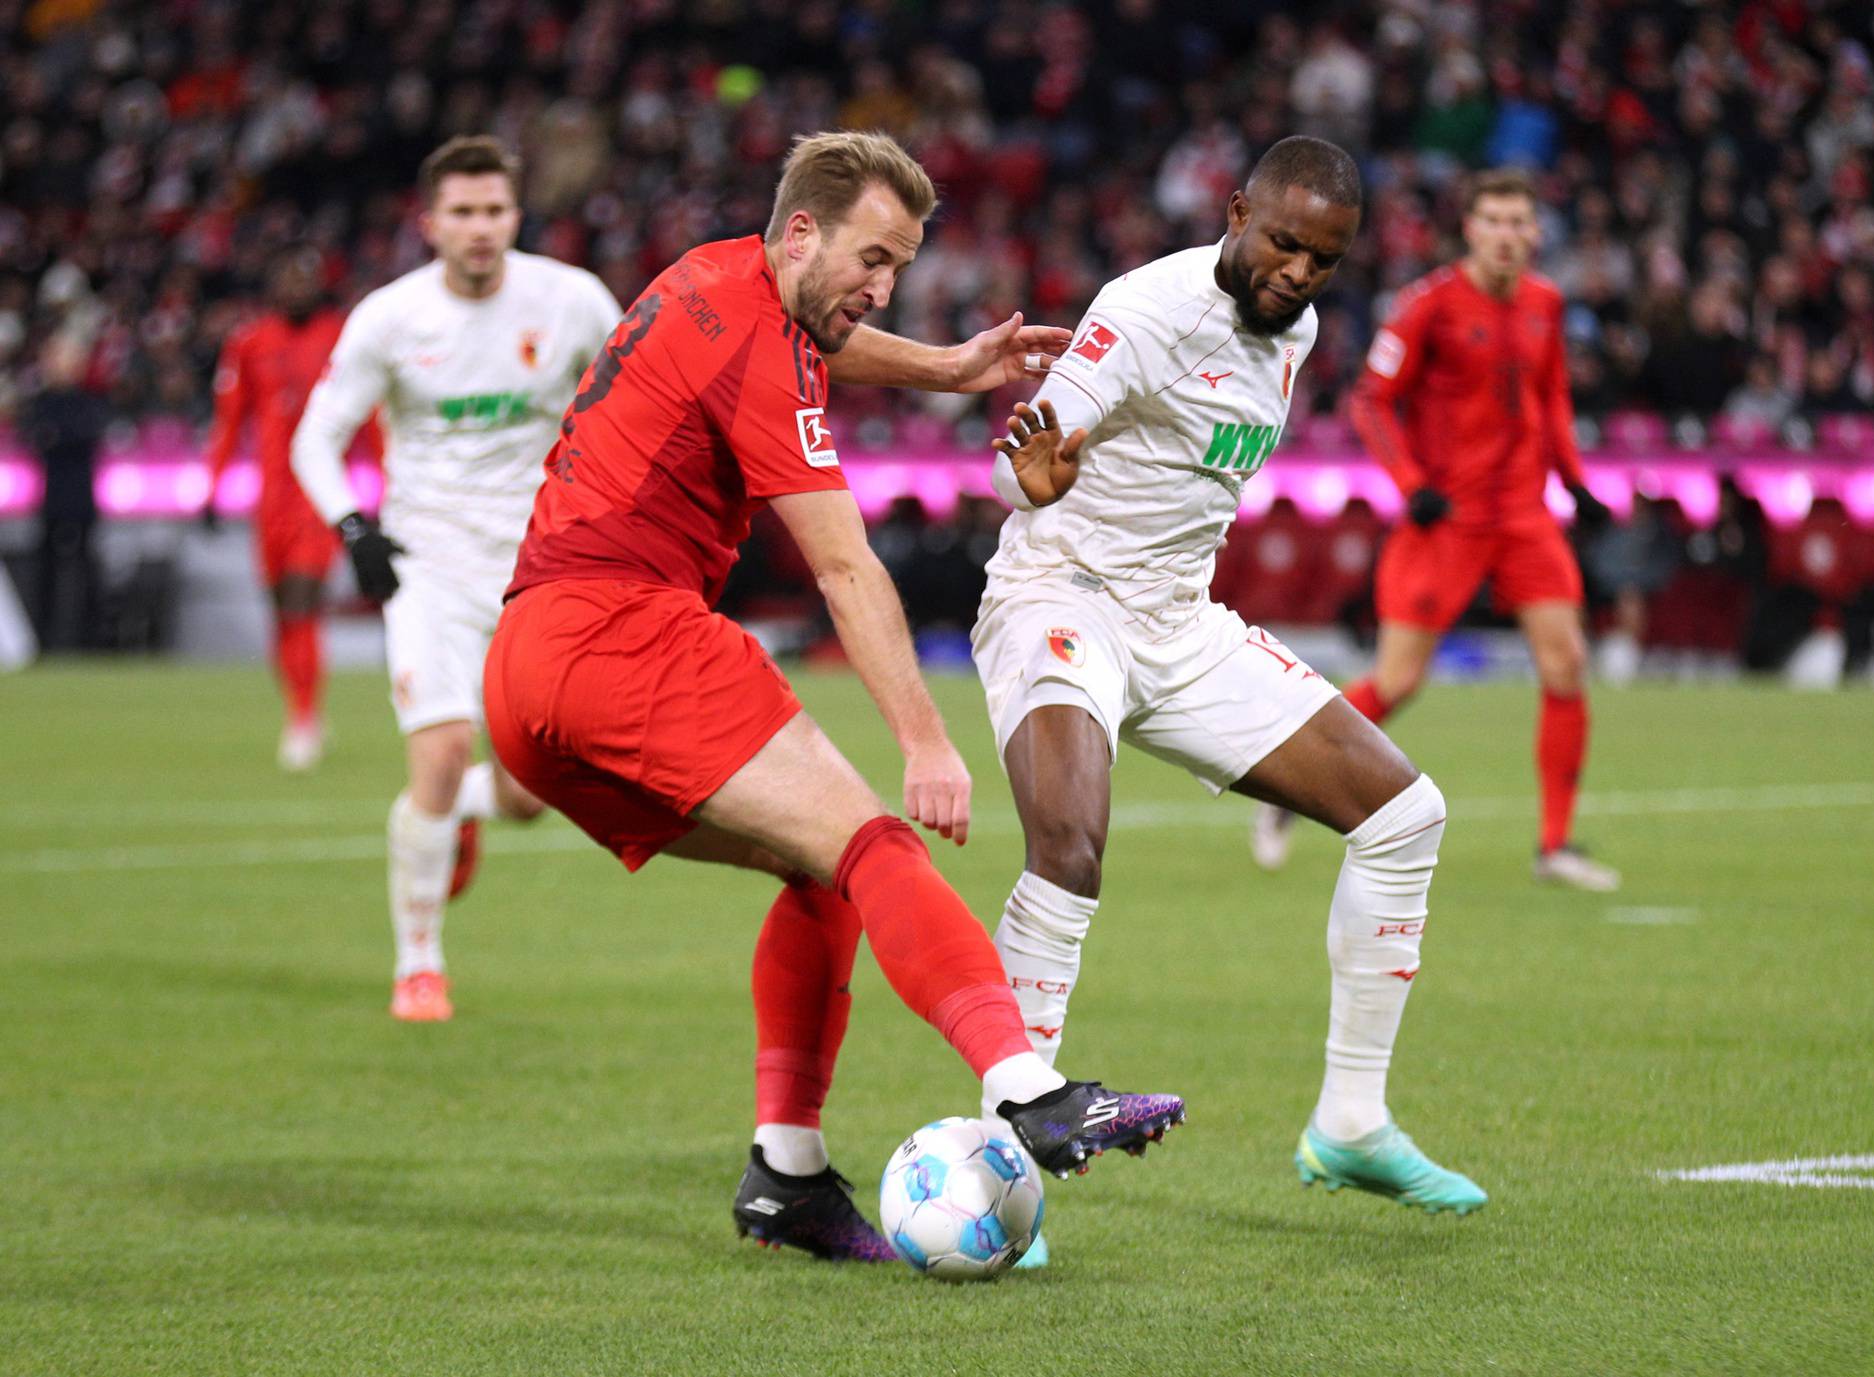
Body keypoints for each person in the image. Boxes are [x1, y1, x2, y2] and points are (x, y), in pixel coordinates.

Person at [484, 130, 1184, 1262]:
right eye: (874, 257)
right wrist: (926, 740)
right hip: (625, 631)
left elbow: (824, 348)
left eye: (900, 264)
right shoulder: (759, 342)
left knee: (820, 881)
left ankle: (787, 1176)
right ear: (804, 230)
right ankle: (1031, 1091)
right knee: (877, 850)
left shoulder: (714, 275)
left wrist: (951, 367)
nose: (885, 285)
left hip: (527, 671)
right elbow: (847, 565)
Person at [977, 136, 1485, 1269]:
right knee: (1069, 843)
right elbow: (1036, 450)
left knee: (1408, 815)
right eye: (1284, 242)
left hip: (1181, 625)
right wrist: (1035, 476)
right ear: (1238, 209)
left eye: (1325, 258)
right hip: (1062, 598)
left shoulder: (1290, 331)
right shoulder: (1146, 306)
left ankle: (1350, 1124)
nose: (1300, 272)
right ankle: (1001, 1162)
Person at [292, 136, 623, 1022]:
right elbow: (314, 439)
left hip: (538, 568)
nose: (480, 229)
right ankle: (419, 962)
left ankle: (473, 805)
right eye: (464, 213)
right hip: (426, 565)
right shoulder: (391, 318)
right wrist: (354, 526)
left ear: (516, 217)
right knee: (438, 752)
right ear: (431, 222)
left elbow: (635, 401)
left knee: (529, 794)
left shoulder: (572, 301)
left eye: (495, 211)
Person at [1253, 167, 1621, 892]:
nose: (1510, 235)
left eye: (1521, 222)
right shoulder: (1428, 306)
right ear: (1471, 230)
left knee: (1567, 662)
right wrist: (1413, 486)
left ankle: (1555, 845)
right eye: (1495, 222)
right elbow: (1371, 401)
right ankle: (1279, 778)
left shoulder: (1546, 303)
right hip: (1446, 517)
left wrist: (1575, 479)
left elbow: (1552, 399)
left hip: (1523, 515)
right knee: (1398, 680)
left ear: (1536, 232)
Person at [204, 249, 364, 771]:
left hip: (317, 494)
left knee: (302, 603)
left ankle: (303, 717)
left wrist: (385, 482)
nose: (295, 289)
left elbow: (371, 417)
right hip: (269, 498)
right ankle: (302, 711)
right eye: (286, 280)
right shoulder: (250, 342)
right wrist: (212, 488)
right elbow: (230, 420)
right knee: (281, 613)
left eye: (304, 280)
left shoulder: (342, 337)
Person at [21, 336, 109, 652]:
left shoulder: (87, 400)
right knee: (46, 573)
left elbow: (80, 435)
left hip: (81, 499)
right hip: (53, 499)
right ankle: (43, 640)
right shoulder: (43, 401)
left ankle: (91, 640)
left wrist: (55, 437)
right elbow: (34, 435)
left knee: (86, 572)